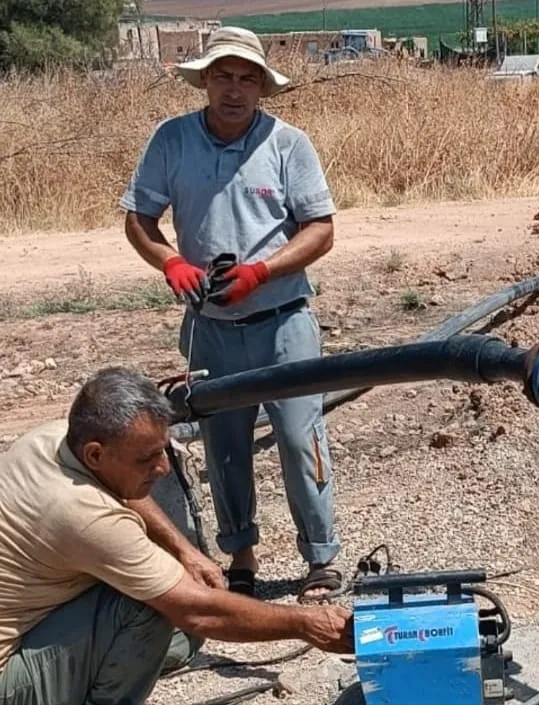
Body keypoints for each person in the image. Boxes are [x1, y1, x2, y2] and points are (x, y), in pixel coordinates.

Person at [120, 26, 342, 602]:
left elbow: (321, 229)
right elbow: (139, 219)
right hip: (210, 328)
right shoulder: (171, 141)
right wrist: (170, 263)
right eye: (224, 76)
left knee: (299, 437)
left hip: (284, 317)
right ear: (205, 80)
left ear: (263, 87)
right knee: (224, 445)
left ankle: (319, 558)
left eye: (247, 79)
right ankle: (240, 555)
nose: (235, 89)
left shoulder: (289, 144)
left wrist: (261, 273)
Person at [0, 366, 353, 705]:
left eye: (163, 450)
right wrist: (305, 623)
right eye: (147, 458)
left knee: (177, 621)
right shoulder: (81, 514)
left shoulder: (52, 440)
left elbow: (123, 493)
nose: (164, 468)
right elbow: (197, 612)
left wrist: (185, 551)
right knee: (149, 605)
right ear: (95, 454)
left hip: (32, 620)